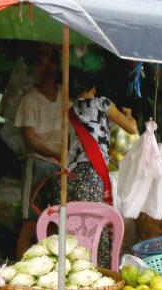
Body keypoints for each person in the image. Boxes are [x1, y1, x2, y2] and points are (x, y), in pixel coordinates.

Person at [67, 65, 137, 267]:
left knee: (78, 222)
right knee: (97, 220)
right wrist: (129, 115)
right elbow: (131, 128)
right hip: (94, 172)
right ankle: (102, 268)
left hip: (73, 174)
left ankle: (78, 264)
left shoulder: (70, 111)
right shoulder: (102, 103)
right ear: (94, 88)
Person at [14, 49, 62, 259]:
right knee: (30, 221)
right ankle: (19, 270)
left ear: (56, 66)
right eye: (41, 64)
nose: (45, 69)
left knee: (53, 222)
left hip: (60, 168)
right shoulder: (30, 99)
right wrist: (56, 154)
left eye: (49, 63)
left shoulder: (66, 96)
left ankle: (47, 269)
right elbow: (30, 138)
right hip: (39, 164)